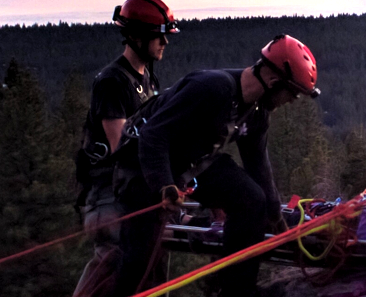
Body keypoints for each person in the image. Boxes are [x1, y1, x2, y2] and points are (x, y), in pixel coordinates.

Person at [111, 35, 320, 297]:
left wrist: (277, 220)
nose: (290, 102)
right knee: (139, 262)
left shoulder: (256, 113)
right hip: (142, 166)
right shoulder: (212, 88)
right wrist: (164, 184)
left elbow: (259, 168)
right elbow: (153, 135)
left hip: (191, 162)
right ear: (273, 81)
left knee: (252, 200)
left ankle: (237, 290)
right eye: (292, 94)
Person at [72, 0, 180, 297]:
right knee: (114, 262)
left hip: (135, 190)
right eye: (159, 36)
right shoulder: (112, 82)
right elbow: (121, 146)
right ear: (136, 36)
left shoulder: (149, 80)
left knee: (153, 263)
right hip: (109, 195)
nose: (165, 43)